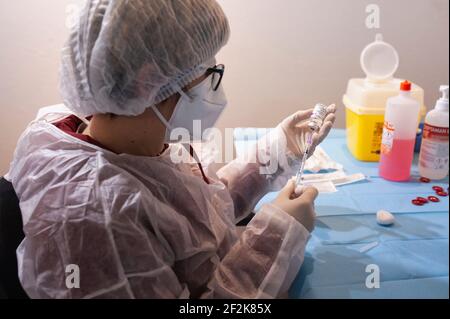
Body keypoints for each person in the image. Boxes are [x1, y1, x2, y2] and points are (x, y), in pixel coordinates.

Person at [6, 0, 336, 299]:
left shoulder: (125, 141)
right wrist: (277, 236)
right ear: (147, 81)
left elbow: (193, 217)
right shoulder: (99, 217)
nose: (215, 84)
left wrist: (278, 150)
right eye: (210, 73)